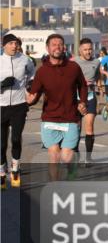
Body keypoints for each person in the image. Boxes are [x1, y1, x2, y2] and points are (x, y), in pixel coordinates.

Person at [26, 34, 87, 180]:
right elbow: (35, 94)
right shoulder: (42, 71)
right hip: (50, 118)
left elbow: (83, 86)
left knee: (66, 157)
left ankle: (71, 170)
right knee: (53, 155)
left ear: (64, 47)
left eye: (60, 44)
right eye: (53, 44)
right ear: (47, 48)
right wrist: (30, 101)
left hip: (70, 117)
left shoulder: (73, 67)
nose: (57, 47)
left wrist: (83, 102)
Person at [1, 33, 35, 188]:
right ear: (4, 46)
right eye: (11, 43)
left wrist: (30, 86)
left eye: (16, 43)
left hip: (19, 105)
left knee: (15, 139)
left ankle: (15, 168)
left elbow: (32, 74)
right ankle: (2, 171)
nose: (14, 46)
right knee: (1, 144)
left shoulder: (25, 60)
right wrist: (1, 84)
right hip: (1, 106)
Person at [72, 38, 102, 165]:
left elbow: (98, 76)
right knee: (76, 128)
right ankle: (76, 154)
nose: (88, 52)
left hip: (90, 97)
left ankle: (88, 158)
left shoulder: (96, 62)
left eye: (90, 49)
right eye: (85, 50)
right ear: (80, 50)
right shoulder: (73, 62)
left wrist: (99, 88)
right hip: (76, 98)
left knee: (89, 126)